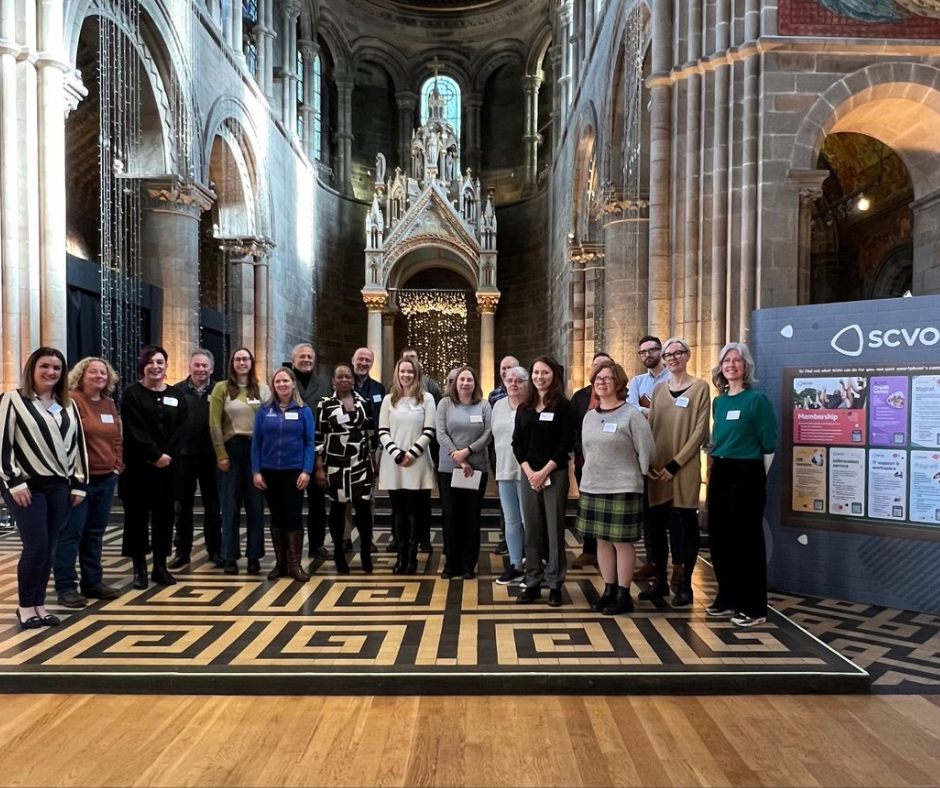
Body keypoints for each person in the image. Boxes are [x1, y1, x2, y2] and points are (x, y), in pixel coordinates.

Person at [0, 347, 88, 629]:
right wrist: (14, 483)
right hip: (27, 485)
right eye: (45, 366)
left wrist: (78, 483)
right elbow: (2, 444)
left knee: (48, 546)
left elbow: (77, 446)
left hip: (59, 485)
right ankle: (25, 605)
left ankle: (39, 604)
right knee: (35, 546)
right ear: (32, 369)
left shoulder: (68, 404)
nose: (51, 372)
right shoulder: (12, 400)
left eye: (57, 368)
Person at [707, 342, 778, 627]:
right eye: (727, 361)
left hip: (747, 472)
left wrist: (756, 477)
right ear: (721, 368)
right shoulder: (719, 402)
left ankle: (754, 607)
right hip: (721, 469)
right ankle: (728, 597)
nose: (731, 365)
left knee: (746, 541)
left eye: (737, 360)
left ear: (745, 366)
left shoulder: (756, 400)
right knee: (720, 538)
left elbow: (769, 443)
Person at [577, 360, 655, 615]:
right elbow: (587, 450)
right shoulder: (590, 416)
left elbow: (648, 450)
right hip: (593, 485)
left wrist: (640, 475)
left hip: (623, 486)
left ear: (619, 383)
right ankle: (608, 589)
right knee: (602, 541)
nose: (601, 383)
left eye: (607, 378)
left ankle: (624, 594)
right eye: (597, 379)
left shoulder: (631, 414)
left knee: (622, 543)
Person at [644, 338, 710, 607]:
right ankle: (660, 580)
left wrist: (676, 464)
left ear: (687, 356)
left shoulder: (700, 388)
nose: (672, 358)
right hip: (658, 468)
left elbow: (700, 431)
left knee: (685, 527)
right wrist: (648, 460)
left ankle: (685, 585)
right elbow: (651, 425)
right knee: (656, 527)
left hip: (683, 468)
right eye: (668, 354)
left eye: (677, 353)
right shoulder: (659, 390)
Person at [53, 357, 123, 608]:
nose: (98, 376)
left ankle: (93, 581)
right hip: (79, 480)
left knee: (95, 534)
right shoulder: (72, 400)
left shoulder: (109, 404)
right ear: (81, 376)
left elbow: (116, 437)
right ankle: (66, 587)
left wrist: (117, 465)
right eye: (92, 372)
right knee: (71, 533)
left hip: (106, 478)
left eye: (103, 373)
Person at [121, 345, 190, 588]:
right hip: (139, 468)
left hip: (169, 468)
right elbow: (134, 429)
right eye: (150, 362)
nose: (155, 366)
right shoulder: (131, 394)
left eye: (160, 362)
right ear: (143, 365)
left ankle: (160, 566)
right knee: (137, 518)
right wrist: (154, 455)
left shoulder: (176, 394)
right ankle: (139, 567)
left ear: (166, 366)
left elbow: (183, 427)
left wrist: (167, 456)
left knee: (165, 517)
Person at [512, 356, 574, 607]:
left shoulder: (563, 406)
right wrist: (530, 472)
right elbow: (517, 444)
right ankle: (533, 581)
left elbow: (565, 444)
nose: (540, 377)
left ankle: (555, 583)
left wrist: (544, 472)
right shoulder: (524, 408)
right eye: (536, 372)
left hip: (554, 475)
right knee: (533, 530)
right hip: (528, 475)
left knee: (553, 529)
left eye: (545, 372)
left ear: (554, 375)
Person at [252, 368, 315, 582]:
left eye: (285, 381)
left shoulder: (303, 410)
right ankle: (281, 563)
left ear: (293, 383)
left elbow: (309, 442)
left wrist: (307, 470)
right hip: (269, 471)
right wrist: (256, 471)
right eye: (278, 381)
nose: (282, 384)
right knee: (277, 516)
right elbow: (257, 443)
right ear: (273, 385)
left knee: (294, 515)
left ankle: (295, 564)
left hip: (294, 470)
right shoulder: (264, 410)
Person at [210, 347, 269, 575]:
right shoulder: (221, 388)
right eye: (238, 359)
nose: (242, 362)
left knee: (255, 506)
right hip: (231, 449)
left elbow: (268, 424)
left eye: (246, 359)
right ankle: (229, 556)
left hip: (256, 451)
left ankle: (254, 556)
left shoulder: (263, 390)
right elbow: (214, 423)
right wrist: (221, 454)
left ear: (251, 362)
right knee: (230, 507)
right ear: (232, 363)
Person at [626, 335, 679, 584]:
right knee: (650, 514)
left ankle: (678, 564)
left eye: (652, 350)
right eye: (643, 352)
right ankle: (652, 561)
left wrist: (647, 410)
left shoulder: (674, 379)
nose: (647, 354)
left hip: (673, 452)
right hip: (645, 453)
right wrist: (654, 411)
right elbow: (631, 409)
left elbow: (678, 413)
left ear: (662, 352)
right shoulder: (636, 381)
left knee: (675, 513)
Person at [316, 364, 376, 574]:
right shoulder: (325, 405)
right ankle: (340, 556)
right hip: (335, 466)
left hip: (360, 463)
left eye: (348, 376)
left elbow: (370, 433)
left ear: (353, 380)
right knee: (338, 510)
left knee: (363, 507)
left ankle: (366, 554)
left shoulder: (363, 402)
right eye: (340, 376)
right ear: (333, 380)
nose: (344, 380)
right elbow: (318, 437)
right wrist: (319, 468)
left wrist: (372, 460)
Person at [378, 357, 436, 574]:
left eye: (410, 372)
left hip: (417, 461)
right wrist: (396, 453)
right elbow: (383, 431)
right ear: (397, 373)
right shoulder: (388, 400)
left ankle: (411, 558)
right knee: (398, 511)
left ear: (416, 374)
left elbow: (430, 430)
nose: (406, 375)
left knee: (414, 510)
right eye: (402, 371)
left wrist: (411, 453)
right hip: (394, 462)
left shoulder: (427, 399)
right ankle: (400, 557)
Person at [436, 365, 492, 579]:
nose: (465, 383)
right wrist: (458, 457)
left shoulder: (484, 405)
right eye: (462, 380)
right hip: (449, 468)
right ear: (455, 383)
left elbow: (488, 433)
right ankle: (452, 563)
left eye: (469, 379)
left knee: (471, 517)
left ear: (475, 383)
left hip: (476, 468)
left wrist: (468, 452)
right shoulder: (445, 404)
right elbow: (440, 433)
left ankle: (469, 564)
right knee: (451, 516)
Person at [171, 349, 222, 569]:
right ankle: (182, 552)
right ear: (189, 366)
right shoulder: (176, 391)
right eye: (197, 365)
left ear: (211, 368)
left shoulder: (220, 389)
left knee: (213, 506)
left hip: (212, 456)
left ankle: (215, 550)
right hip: (184, 456)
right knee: (183, 507)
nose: (201, 369)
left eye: (205, 366)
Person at [284, 343, 334, 559]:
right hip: (288, 452)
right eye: (302, 356)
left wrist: (320, 459)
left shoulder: (323, 385)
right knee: (289, 504)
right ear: (293, 359)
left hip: (315, 452)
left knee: (317, 503)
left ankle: (316, 545)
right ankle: (289, 549)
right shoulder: (284, 382)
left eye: (309, 357)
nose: (306, 360)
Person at [569, 351, 613, 569]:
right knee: (587, 505)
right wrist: (580, 449)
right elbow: (573, 428)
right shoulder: (579, 397)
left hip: (611, 465)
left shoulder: (622, 396)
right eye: (596, 366)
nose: (600, 370)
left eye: (605, 366)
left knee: (608, 507)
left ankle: (609, 550)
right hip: (584, 461)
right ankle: (589, 550)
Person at [491, 365, 528, 585]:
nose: (513, 384)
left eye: (519, 380)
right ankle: (516, 565)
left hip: (527, 472)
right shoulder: (497, 406)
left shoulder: (532, 406)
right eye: (509, 380)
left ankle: (533, 565)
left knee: (528, 521)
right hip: (504, 470)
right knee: (511, 521)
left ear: (526, 383)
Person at [399, 347, 439, 553]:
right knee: (400, 503)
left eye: (413, 359)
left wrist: (415, 450)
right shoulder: (393, 390)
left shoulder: (430, 387)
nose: (408, 368)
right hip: (397, 455)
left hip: (423, 451)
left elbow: (435, 416)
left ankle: (423, 538)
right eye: (406, 360)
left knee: (422, 500)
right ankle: (400, 540)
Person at [488, 355, 520, 557]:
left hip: (525, 464)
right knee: (507, 508)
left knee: (525, 513)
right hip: (501, 457)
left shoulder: (529, 399)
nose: (506, 372)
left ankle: (529, 555)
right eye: (503, 368)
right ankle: (509, 546)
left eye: (510, 368)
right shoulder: (494, 397)